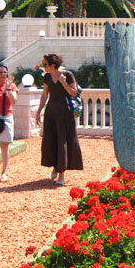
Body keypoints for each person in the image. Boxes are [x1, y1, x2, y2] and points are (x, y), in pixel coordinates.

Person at [36, 53, 83, 186]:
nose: (43, 66)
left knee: (63, 140)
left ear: (52, 65)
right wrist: (39, 111)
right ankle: (56, 166)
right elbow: (45, 94)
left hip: (65, 112)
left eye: (45, 64)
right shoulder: (47, 76)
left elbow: (74, 92)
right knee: (51, 140)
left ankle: (62, 172)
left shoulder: (67, 75)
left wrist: (64, 84)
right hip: (51, 111)